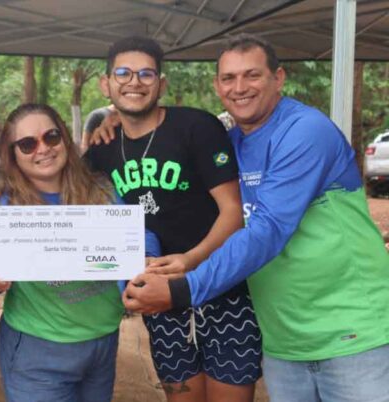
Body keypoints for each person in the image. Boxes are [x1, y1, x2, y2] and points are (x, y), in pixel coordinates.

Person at [125, 34, 389, 402]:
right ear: (217, 86)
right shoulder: (229, 144)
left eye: (252, 75)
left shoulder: (305, 131)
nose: (240, 88)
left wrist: (182, 289)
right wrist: (116, 123)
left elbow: (268, 229)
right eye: (229, 78)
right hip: (284, 340)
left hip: (350, 332)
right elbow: (167, 195)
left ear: (278, 78)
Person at [84, 36, 261, 402]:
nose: (135, 82)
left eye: (146, 73)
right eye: (123, 73)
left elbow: (233, 211)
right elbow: (61, 190)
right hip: (159, 298)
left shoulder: (196, 127)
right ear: (106, 84)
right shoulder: (101, 149)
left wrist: (191, 260)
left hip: (222, 286)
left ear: (161, 84)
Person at [0, 103, 161, 402]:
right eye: (27, 144)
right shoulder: (4, 206)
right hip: (37, 350)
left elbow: (139, 235)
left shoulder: (102, 190)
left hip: (101, 343)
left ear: (65, 138)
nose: (42, 149)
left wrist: (144, 259)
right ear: (13, 154)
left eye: (51, 137)